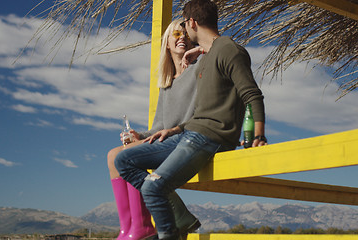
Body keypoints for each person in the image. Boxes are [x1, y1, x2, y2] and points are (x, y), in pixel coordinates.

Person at [114, 1, 268, 240]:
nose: (185, 32)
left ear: (192, 23)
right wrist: (174, 129)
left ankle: (171, 234)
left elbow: (252, 94)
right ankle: (175, 228)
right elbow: (201, 112)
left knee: (153, 187)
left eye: (184, 26)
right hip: (189, 133)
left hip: (210, 137)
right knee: (123, 159)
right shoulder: (207, 58)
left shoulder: (229, 50)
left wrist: (258, 135)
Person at [108, 19, 201, 240]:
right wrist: (139, 136)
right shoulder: (167, 83)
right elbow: (160, 127)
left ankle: (144, 226)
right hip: (165, 139)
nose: (182, 37)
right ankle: (131, 227)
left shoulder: (199, 69)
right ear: (167, 44)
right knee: (114, 154)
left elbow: (198, 117)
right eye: (176, 34)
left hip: (188, 138)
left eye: (185, 34)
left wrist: (199, 51)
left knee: (123, 156)